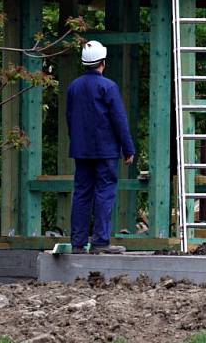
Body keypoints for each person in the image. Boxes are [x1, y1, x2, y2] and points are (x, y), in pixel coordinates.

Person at [66, 40, 136, 254]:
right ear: (103, 63)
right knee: (105, 192)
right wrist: (128, 148)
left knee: (81, 193)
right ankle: (100, 242)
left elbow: (70, 118)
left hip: (81, 149)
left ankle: (78, 243)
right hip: (106, 150)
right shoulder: (108, 87)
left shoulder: (74, 87)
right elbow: (119, 119)